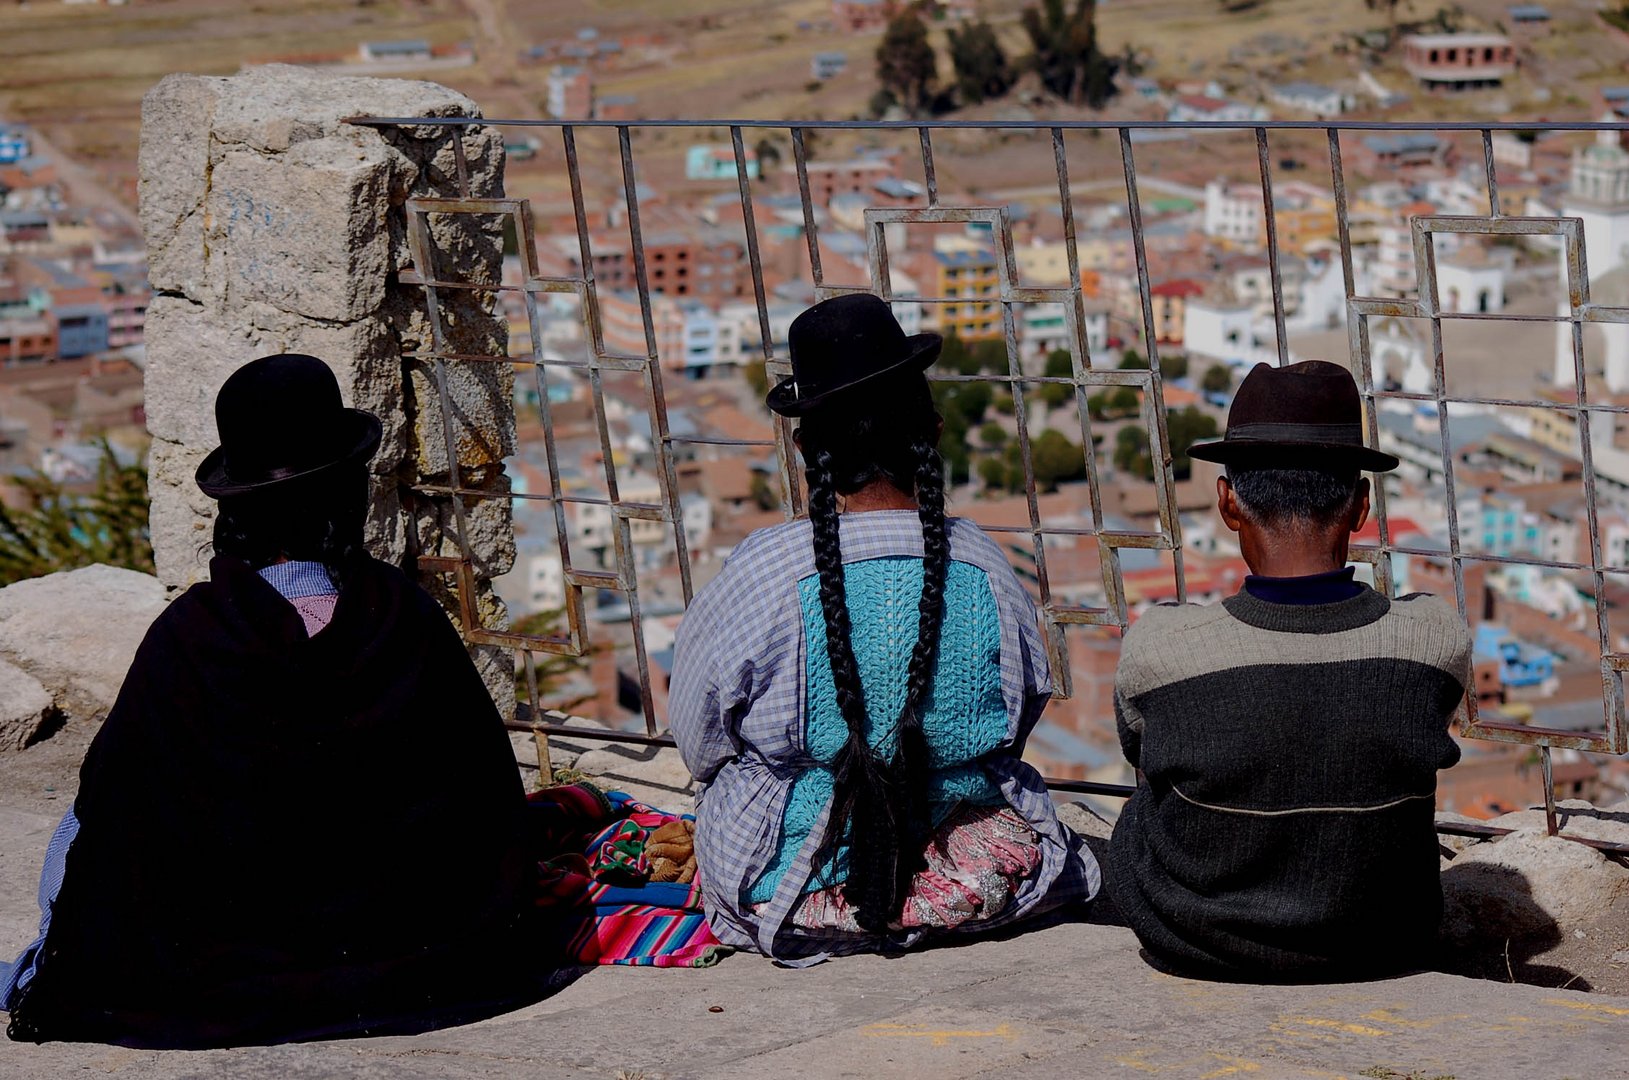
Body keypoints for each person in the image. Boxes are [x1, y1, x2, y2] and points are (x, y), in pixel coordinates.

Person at [4, 354, 544, 1047]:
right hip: (415, 956)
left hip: (222, 966)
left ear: (235, 506)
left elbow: (114, 809)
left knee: (79, 832)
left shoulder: (192, 638)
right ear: (348, 490)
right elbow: (482, 799)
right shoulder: (405, 619)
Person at [669, 293, 1098, 966]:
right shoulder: (986, 564)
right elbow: (1017, 716)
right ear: (931, 429)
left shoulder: (764, 571)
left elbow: (700, 743)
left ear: (808, 447)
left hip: (793, 879)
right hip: (969, 870)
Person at [1108, 360, 1471, 983]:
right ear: (1361, 506)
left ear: (1227, 503)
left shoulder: (1161, 650)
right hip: (1385, 941)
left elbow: (1141, 752)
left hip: (1195, 944)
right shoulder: (1434, 638)